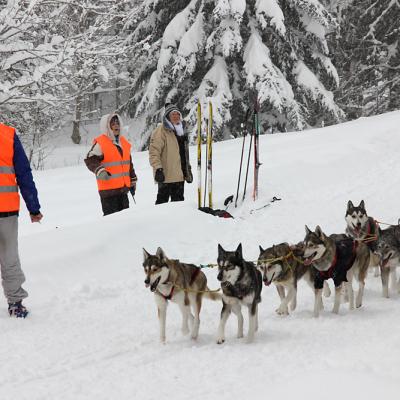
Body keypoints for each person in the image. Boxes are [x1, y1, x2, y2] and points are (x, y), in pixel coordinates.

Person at [0, 122, 43, 318]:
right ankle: (15, 304)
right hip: (7, 210)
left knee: (10, 259)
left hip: (7, 210)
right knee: (10, 259)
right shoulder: (7, 134)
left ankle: (16, 301)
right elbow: (24, 173)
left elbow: (23, 173)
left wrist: (34, 207)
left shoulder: (8, 134)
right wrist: (33, 207)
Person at [85, 113, 137, 216]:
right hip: (108, 192)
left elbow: (128, 163)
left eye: (117, 123)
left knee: (126, 221)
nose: (116, 126)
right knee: (112, 224)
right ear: (106, 126)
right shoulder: (101, 142)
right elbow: (90, 159)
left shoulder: (123, 142)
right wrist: (100, 170)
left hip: (123, 191)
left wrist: (132, 180)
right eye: (113, 124)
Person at [149, 103, 193, 204]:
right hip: (165, 177)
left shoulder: (181, 131)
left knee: (179, 207)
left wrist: (188, 171)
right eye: (173, 114)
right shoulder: (160, 131)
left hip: (179, 176)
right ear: (167, 116)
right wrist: (158, 169)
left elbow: (184, 155)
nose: (176, 116)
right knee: (161, 206)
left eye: (178, 114)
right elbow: (154, 152)